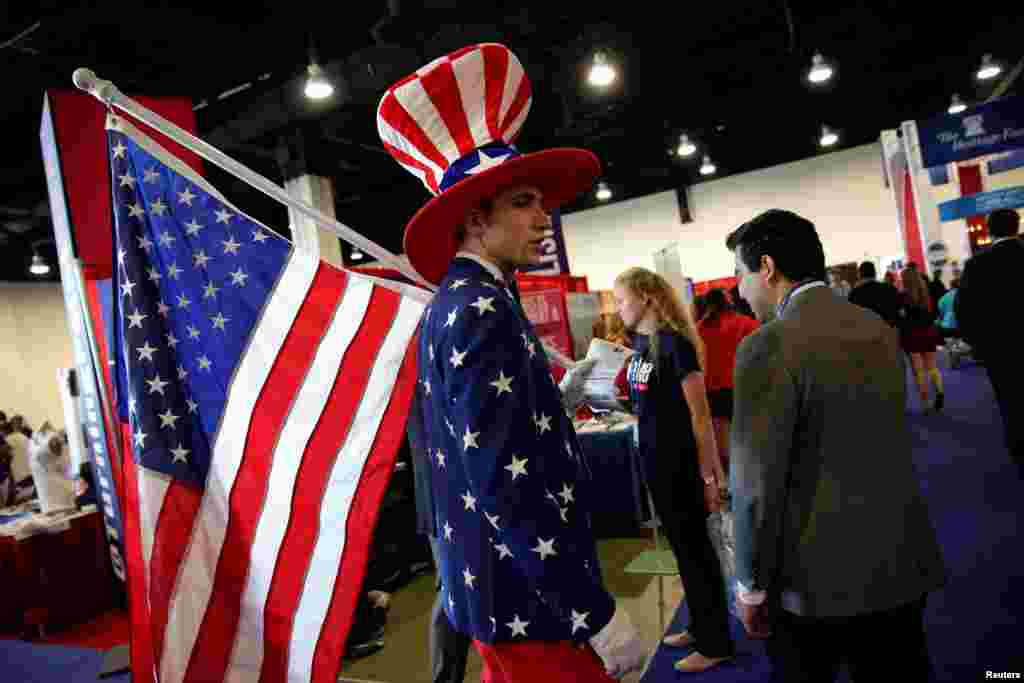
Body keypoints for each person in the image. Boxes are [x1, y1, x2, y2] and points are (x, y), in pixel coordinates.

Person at [379, 43, 645, 681]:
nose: (543, 217)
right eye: (524, 201)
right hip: (533, 600)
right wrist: (595, 614)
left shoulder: (466, 301)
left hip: (505, 587)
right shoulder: (480, 310)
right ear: (476, 216)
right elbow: (505, 479)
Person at [726, 209, 945, 682]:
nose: (741, 290)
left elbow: (756, 484)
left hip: (813, 583)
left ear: (766, 268)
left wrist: (750, 587)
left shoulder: (768, 344)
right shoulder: (876, 327)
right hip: (901, 559)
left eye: (741, 276)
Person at [613, 268, 734, 673]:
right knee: (684, 552)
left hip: (680, 465)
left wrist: (710, 477)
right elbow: (647, 405)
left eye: (622, 299)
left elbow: (700, 418)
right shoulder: (643, 345)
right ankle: (701, 627)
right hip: (656, 464)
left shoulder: (674, 345)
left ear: (646, 297)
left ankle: (716, 641)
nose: (618, 308)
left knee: (698, 553)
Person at [956, 208, 1024, 474]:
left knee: (1012, 403)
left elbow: (965, 312)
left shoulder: (978, 265)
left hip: (1001, 350)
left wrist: (979, 345)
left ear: (989, 231)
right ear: (1016, 227)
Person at [696, 288, 759, 473]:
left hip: (712, 391)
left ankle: (729, 483)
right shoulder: (747, 324)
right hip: (743, 388)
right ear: (728, 301)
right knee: (747, 441)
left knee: (723, 448)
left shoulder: (698, 329)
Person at [900, 266, 946, 413]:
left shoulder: (903, 296)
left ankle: (926, 404)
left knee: (919, 371)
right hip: (927, 331)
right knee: (932, 367)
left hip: (912, 334)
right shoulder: (926, 293)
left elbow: (901, 316)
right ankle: (939, 391)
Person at [848, 261, 904, 328]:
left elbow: (852, 319)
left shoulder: (854, 294)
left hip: (867, 332)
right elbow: (901, 312)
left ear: (859, 274)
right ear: (875, 273)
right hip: (890, 331)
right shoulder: (889, 288)